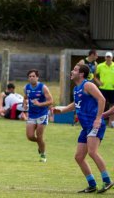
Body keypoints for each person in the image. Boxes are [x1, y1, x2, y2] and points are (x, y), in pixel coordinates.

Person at [53, 64, 114, 193]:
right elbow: (76, 104)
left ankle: (107, 180)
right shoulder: (76, 88)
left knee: (92, 152)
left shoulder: (88, 85)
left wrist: (98, 119)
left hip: (94, 124)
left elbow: (101, 99)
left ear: (81, 74)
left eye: (75, 70)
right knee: (79, 157)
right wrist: (63, 110)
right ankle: (92, 184)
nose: (72, 71)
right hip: (86, 126)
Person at [23, 69, 53, 163]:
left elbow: (51, 101)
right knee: (30, 136)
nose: (31, 78)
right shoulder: (26, 87)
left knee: (39, 136)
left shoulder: (43, 87)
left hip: (42, 114)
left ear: (37, 77)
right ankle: (41, 144)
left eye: (33, 76)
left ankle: (43, 155)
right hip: (32, 114)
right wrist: (24, 103)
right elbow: (25, 97)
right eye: (30, 76)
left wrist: (40, 104)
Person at [95, 51, 114, 127]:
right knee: (101, 104)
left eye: (110, 57)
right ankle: (99, 121)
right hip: (103, 88)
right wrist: (99, 82)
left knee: (112, 106)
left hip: (112, 89)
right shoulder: (100, 66)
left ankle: (111, 123)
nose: (108, 58)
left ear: (112, 57)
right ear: (105, 57)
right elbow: (95, 76)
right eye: (107, 57)